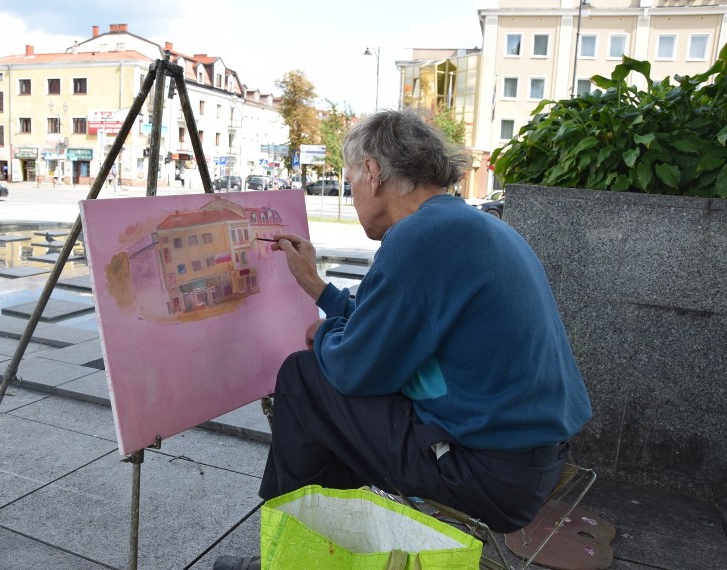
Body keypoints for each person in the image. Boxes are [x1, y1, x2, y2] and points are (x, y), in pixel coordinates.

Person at [214, 110, 592, 569]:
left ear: (373, 173)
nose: (352, 197)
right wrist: (319, 289)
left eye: (350, 181)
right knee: (328, 401)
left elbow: (356, 367)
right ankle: (331, 548)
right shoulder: (467, 225)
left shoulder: (422, 237)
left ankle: (294, 557)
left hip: (486, 472)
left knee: (305, 376)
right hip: (529, 463)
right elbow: (396, 329)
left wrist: (331, 334)